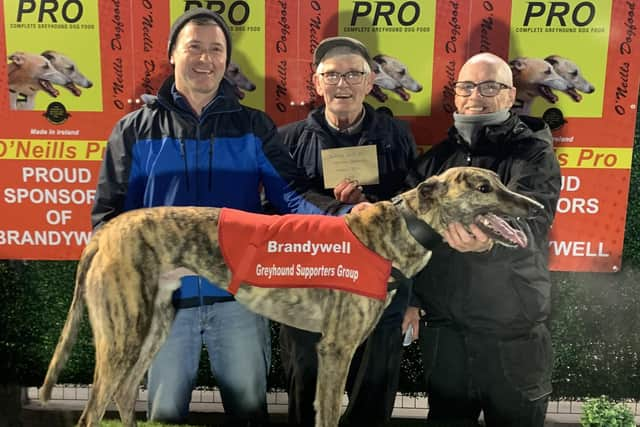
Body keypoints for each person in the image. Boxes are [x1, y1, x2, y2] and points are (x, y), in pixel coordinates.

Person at [90, 9, 351, 426]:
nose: (205, 59)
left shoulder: (252, 125)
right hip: (163, 308)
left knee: (250, 413)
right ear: (172, 54)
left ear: (227, 61)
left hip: (239, 301)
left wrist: (346, 216)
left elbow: (292, 197)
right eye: (194, 47)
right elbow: (108, 221)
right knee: (164, 416)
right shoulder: (134, 131)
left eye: (216, 50)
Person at [402, 52, 561, 427]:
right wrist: (409, 297)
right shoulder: (434, 162)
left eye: (491, 86)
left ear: (510, 96)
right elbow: (407, 232)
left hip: (512, 334)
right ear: (456, 96)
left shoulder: (534, 153)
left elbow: (533, 220)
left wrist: (488, 244)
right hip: (446, 333)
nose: (477, 95)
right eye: (468, 86)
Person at [278, 36, 417, 427]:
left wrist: (369, 203)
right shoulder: (287, 140)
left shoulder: (397, 136)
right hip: (309, 285)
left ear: (370, 82)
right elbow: (278, 204)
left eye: (353, 74)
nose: (343, 83)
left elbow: (415, 215)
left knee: (373, 386)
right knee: (307, 383)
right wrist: (340, 209)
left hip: (381, 285)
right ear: (317, 82)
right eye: (332, 74)